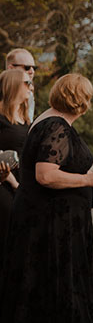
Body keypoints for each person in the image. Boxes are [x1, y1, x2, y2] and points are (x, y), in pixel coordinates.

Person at [0, 74, 93, 323]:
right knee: (52, 280)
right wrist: (88, 179)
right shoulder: (56, 126)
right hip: (50, 224)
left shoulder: (51, 120)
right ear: (82, 100)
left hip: (55, 218)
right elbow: (45, 175)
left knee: (48, 280)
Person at [0, 67, 31, 270]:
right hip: (4, 184)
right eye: (26, 83)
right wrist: (11, 180)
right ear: (12, 86)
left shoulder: (25, 117)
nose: (31, 87)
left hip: (23, 184)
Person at [4, 47, 36, 125]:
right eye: (27, 67)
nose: (32, 71)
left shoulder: (29, 95)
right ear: (11, 68)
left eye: (34, 68)